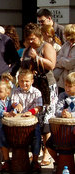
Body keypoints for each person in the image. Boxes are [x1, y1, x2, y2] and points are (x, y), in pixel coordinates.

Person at [21, 23, 57, 166]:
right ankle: (36, 152)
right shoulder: (26, 50)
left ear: (39, 36)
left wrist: (37, 57)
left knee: (46, 121)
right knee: (35, 119)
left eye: (33, 38)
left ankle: (47, 153)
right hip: (32, 88)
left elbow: (51, 65)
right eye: (28, 39)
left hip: (47, 87)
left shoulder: (46, 46)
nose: (31, 41)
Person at [7, 69, 43, 173]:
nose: (24, 83)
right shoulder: (16, 91)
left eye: (27, 81)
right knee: (3, 134)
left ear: (32, 81)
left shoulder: (36, 92)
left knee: (36, 135)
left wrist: (31, 112)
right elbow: (14, 102)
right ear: (18, 80)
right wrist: (16, 105)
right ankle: (7, 161)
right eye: (22, 81)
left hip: (32, 121)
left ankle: (35, 161)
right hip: (17, 122)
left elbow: (39, 107)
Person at [46, 72, 75, 166]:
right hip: (63, 131)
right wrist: (62, 113)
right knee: (49, 145)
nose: (66, 88)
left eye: (70, 86)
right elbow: (57, 111)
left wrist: (72, 115)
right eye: (66, 85)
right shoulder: (63, 96)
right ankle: (59, 162)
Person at [54, 24, 75, 94]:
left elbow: (70, 63)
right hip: (63, 81)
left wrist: (62, 60)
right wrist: (64, 61)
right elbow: (57, 59)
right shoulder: (66, 45)